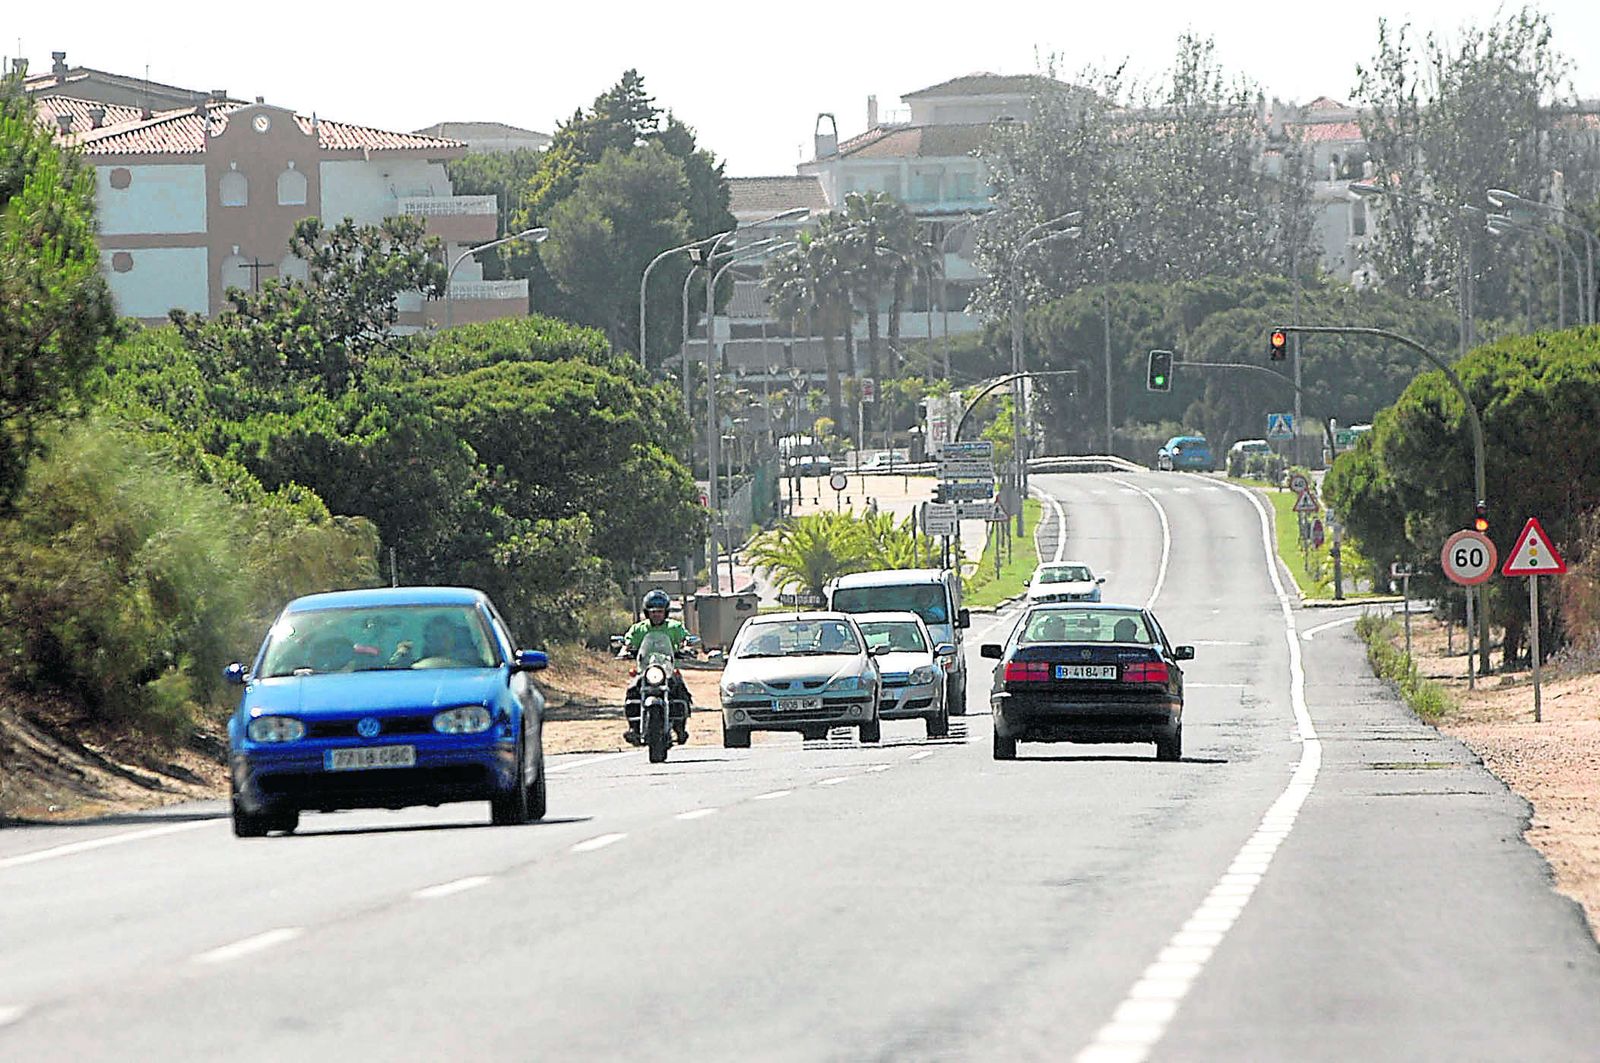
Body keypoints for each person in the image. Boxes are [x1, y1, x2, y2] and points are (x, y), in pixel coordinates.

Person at [620, 589, 694, 745]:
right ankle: (633, 727)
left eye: (660, 612)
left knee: (680, 689)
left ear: (666, 612)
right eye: (653, 612)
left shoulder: (674, 627)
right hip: (645, 670)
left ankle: (680, 728)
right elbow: (628, 642)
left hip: (666, 669)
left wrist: (686, 646)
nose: (656, 615)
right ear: (647, 613)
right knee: (632, 689)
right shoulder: (639, 628)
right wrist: (625, 650)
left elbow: (685, 639)